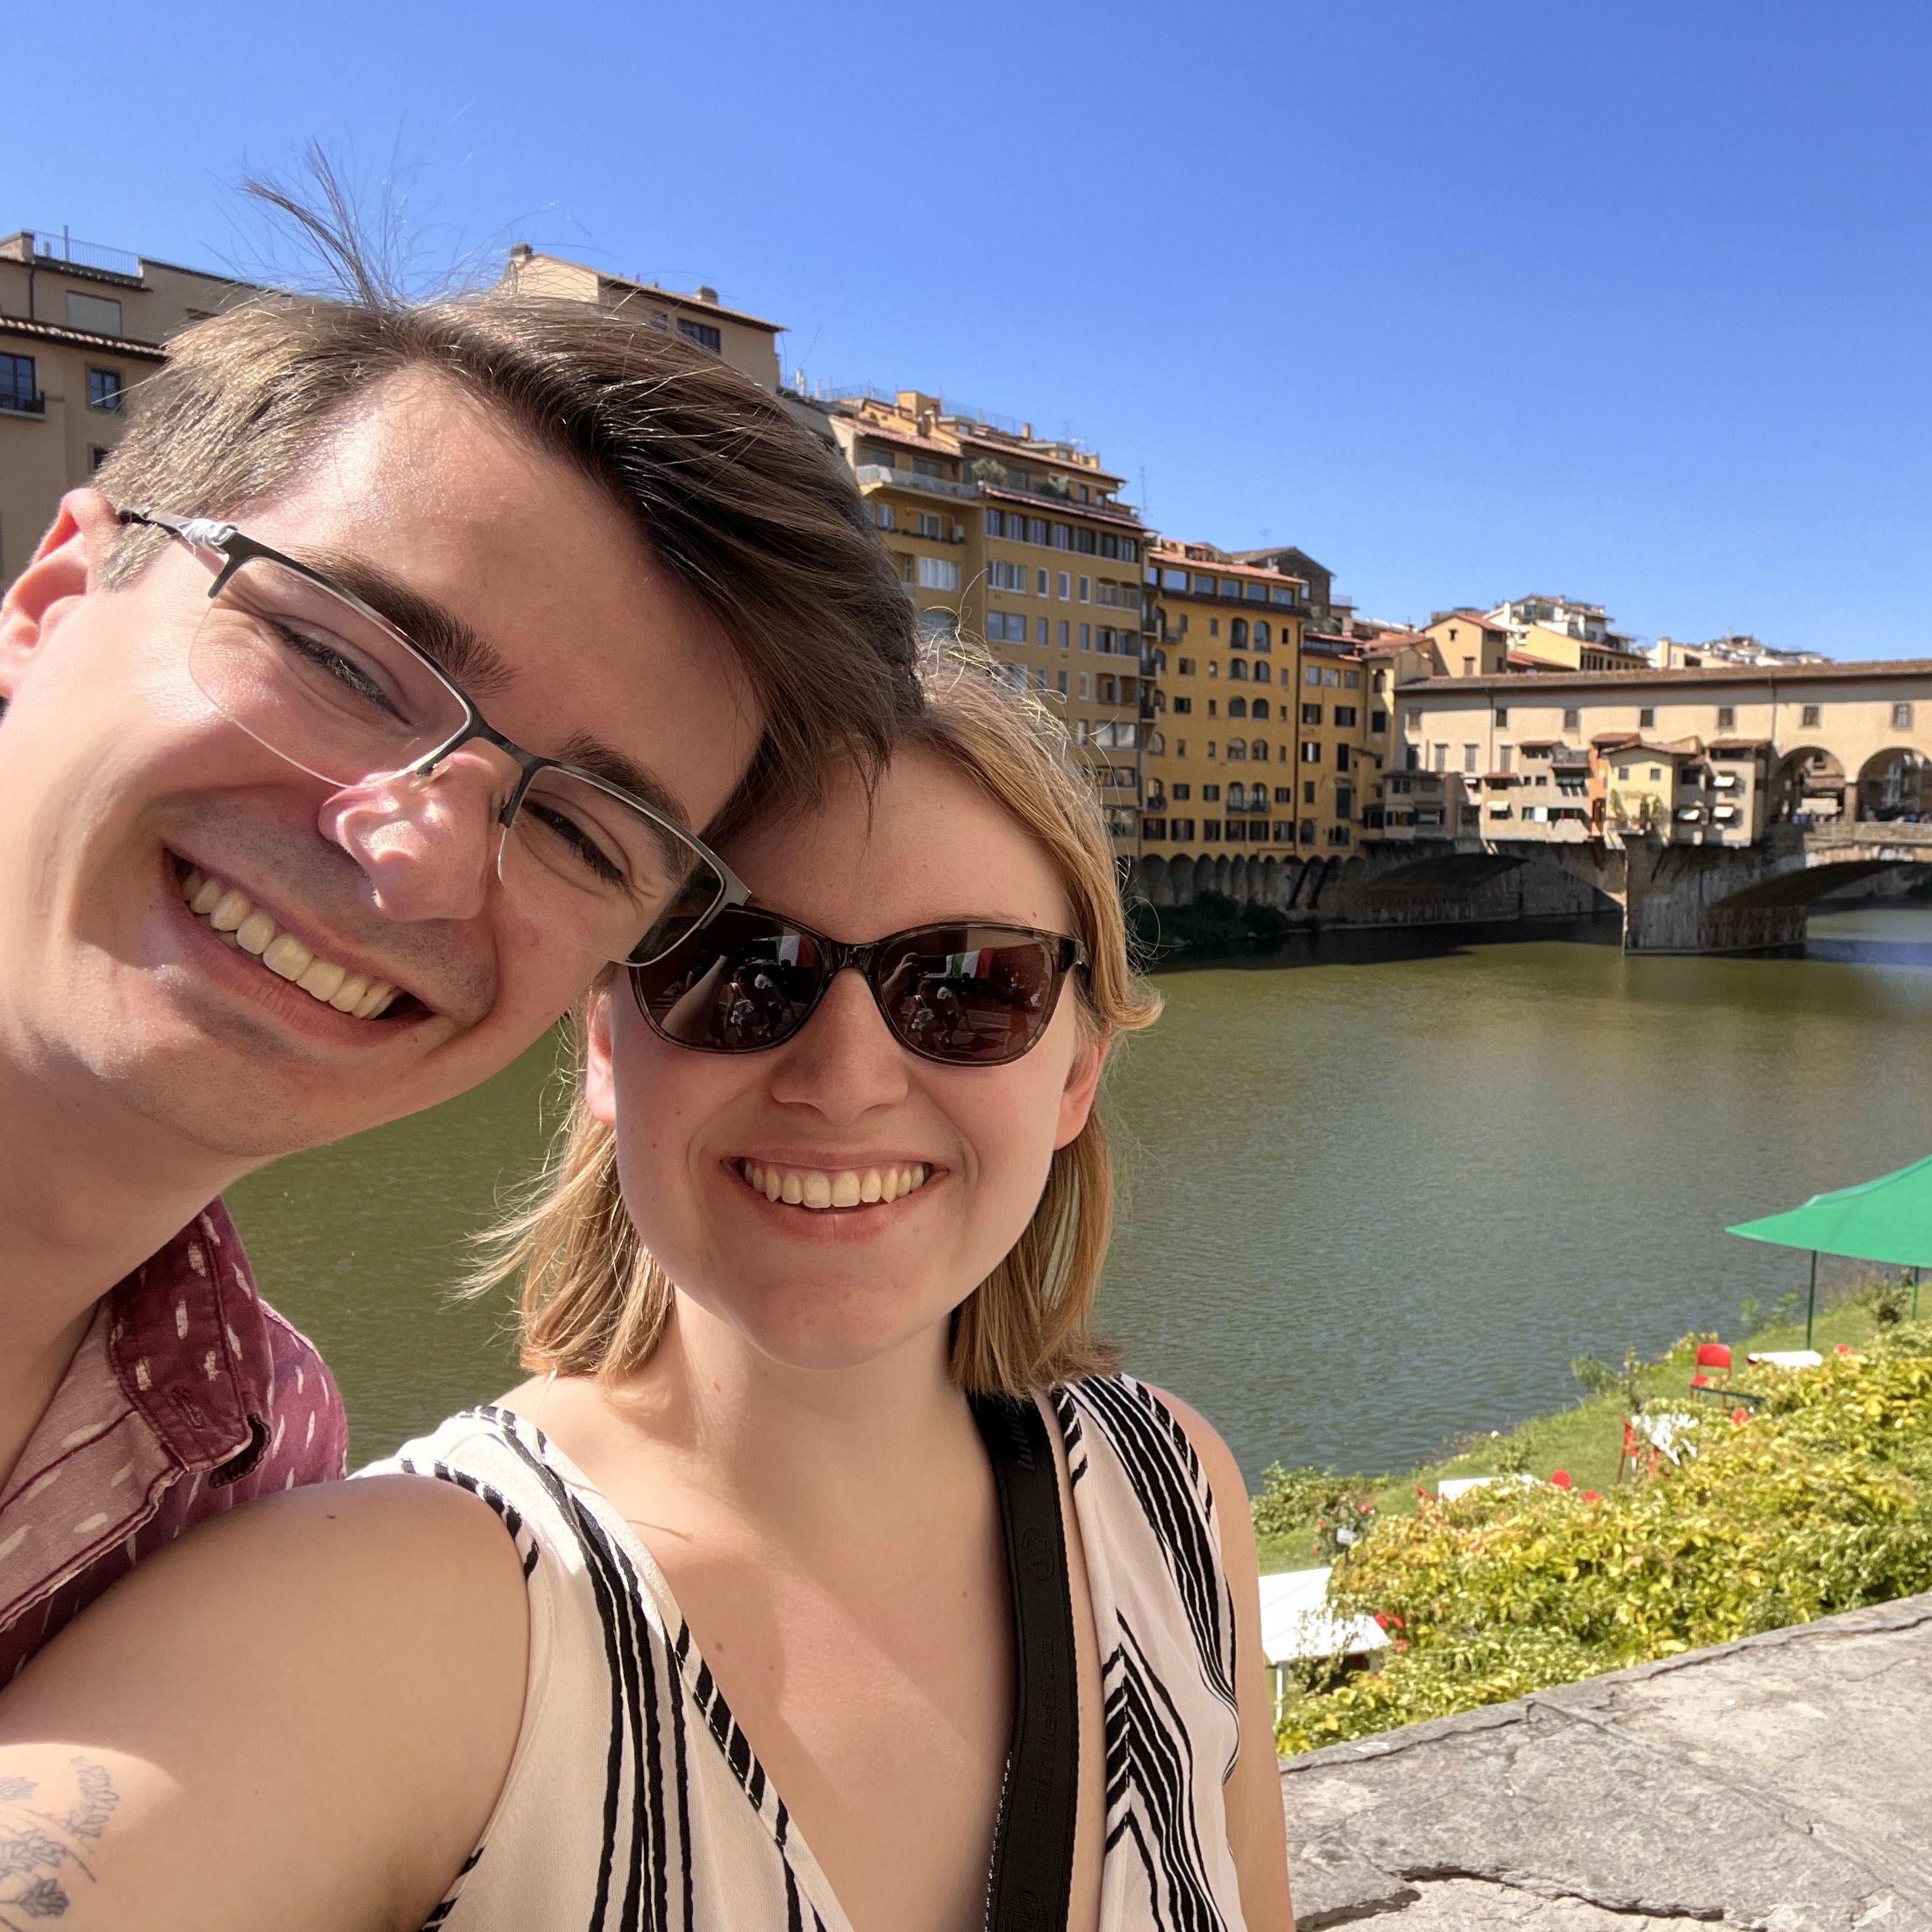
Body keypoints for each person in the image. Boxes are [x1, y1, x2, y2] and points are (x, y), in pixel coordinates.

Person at [0, 654, 1292, 1931]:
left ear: (1074, 1075)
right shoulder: (394, 1611)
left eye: (966, 985)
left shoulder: (1169, 1491)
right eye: (740, 969)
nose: (843, 1081)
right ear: (609, 1040)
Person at [0, 220, 918, 1683]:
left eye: (587, 832)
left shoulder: (260, 1447)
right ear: (50, 606)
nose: (413, 858)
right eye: (344, 658)